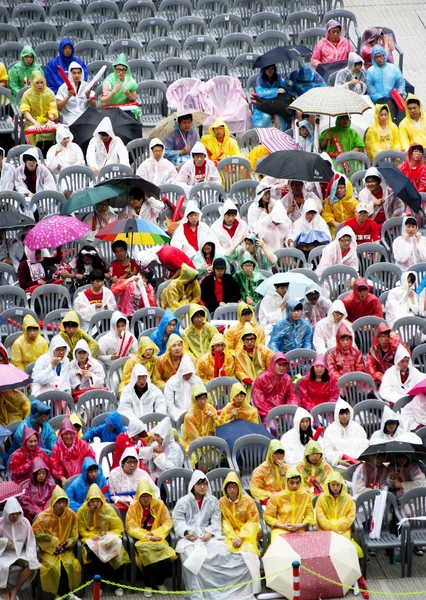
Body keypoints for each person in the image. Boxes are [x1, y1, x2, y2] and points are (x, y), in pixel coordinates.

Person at [172, 470, 260, 600]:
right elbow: (177, 520)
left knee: (226, 555)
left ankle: (223, 589)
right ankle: (197, 594)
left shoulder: (212, 501)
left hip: (209, 538)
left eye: (205, 484)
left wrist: (210, 532)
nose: (202, 487)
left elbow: (216, 521)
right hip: (189, 540)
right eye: (199, 484)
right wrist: (186, 532)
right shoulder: (183, 501)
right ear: (193, 486)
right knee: (192, 558)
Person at [316, 471, 366, 593]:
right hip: (325, 532)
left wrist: (338, 528)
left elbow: (350, 517)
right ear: (328, 485)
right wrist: (334, 527)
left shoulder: (348, 499)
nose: (335, 487)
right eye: (333, 484)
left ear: (342, 485)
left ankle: (349, 579)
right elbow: (321, 519)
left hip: (344, 532)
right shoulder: (321, 499)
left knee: (345, 550)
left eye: (338, 485)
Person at [77, 484, 129, 597]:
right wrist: (91, 536)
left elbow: (118, 528)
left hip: (108, 539)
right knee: (97, 555)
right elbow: (81, 529)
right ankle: (99, 585)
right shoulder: (82, 511)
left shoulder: (109, 509)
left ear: (101, 500)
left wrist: (108, 535)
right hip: (91, 541)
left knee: (120, 554)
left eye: (97, 501)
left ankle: (116, 584)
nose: (95, 504)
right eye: (92, 501)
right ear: (88, 501)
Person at [126, 480, 175, 594]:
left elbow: (167, 523)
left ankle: (159, 582)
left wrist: (155, 534)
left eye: (148, 496)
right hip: (143, 540)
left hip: (158, 538)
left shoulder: (160, 505)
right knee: (149, 559)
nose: (146, 499)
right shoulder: (133, 507)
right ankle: (148, 584)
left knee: (165, 558)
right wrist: (147, 536)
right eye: (143, 496)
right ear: (138, 496)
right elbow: (131, 527)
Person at [32, 486, 81, 598]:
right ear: (53, 502)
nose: (62, 505)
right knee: (52, 566)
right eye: (59, 502)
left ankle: (63, 594)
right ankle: (64, 594)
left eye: (64, 502)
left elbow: (74, 535)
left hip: (65, 549)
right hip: (48, 551)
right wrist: (50, 540)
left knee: (69, 564)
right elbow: (36, 533)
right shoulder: (43, 517)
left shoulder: (71, 515)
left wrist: (67, 544)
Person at [0, 497, 41, 600]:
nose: (15, 517)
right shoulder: (1, 523)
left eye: (17, 513)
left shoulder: (24, 522)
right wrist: (4, 542)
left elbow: (31, 541)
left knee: (31, 565)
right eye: (12, 514)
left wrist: (31, 556)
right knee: (4, 567)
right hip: (5, 554)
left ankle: (15, 589)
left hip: (20, 553)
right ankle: (4, 590)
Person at [264, 468, 315, 541]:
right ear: (286, 482)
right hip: (280, 530)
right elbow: (268, 517)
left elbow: (309, 515)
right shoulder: (277, 497)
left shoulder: (305, 496)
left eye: (297, 483)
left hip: (299, 530)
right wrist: (283, 526)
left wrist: (301, 525)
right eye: (292, 483)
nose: (295, 486)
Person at [219, 472, 260, 558]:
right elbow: (224, 521)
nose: (232, 490)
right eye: (229, 487)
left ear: (239, 488)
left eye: (234, 487)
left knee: (248, 552)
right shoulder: (222, 502)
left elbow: (253, 521)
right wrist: (232, 536)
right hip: (229, 535)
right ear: (225, 488)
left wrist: (241, 537)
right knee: (226, 553)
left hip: (247, 535)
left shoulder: (248, 501)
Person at [251, 353, 298, 426]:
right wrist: (272, 412)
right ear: (273, 364)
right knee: (273, 427)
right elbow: (259, 402)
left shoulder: (287, 378)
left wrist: (291, 408)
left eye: (284, 365)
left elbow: (292, 396)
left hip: (284, 411)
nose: (282, 368)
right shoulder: (261, 379)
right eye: (279, 365)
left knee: (293, 423)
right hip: (267, 412)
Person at [50, 416, 96, 485]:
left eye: (71, 434)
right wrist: (62, 478)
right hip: (66, 483)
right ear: (61, 435)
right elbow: (55, 466)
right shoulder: (57, 450)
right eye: (65, 434)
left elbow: (91, 460)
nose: (68, 437)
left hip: (84, 480)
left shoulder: (83, 445)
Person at [323, 399, 369, 468]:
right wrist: (339, 461)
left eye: (347, 413)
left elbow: (364, 446)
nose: (344, 416)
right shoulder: (330, 430)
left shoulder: (357, 428)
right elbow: (327, 451)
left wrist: (358, 459)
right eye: (341, 414)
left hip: (358, 462)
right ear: (337, 415)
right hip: (339, 464)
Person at [19, 71, 57, 149]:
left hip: (46, 121)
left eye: (41, 82)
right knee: (34, 143)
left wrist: (50, 120)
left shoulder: (50, 93)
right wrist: (35, 122)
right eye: (37, 83)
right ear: (32, 82)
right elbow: (25, 111)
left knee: (48, 142)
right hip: (32, 121)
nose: (40, 85)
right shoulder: (27, 94)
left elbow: (52, 109)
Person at [366, 322, 408, 390]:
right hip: (380, 381)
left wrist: (397, 339)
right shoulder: (373, 350)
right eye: (381, 336)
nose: (383, 339)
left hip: (396, 379)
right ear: (377, 338)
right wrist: (380, 376)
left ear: (389, 337)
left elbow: (407, 354)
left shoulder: (395, 348)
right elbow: (370, 368)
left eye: (386, 336)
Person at [164, 354, 203, 422]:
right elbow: (169, 404)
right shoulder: (172, 382)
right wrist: (179, 415)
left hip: (195, 415)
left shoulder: (197, 381)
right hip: (176, 415)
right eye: (185, 374)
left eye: (189, 374)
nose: (187, 376)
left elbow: (203, 399)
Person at [45, 124, 85, 190]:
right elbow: (50, 167)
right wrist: (56, 154)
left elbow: (81, 160)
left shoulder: (75, 146)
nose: (66, 140)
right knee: (65, 189)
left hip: (76, 174)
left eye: (67, 138)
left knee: (80, 187)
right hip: (61, 176)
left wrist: (75, 166)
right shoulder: (53, 149)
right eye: (64, 139)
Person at [366, 45, 406, 110]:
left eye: (380, 56)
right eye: (376, 57)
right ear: (373, 58)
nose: (379, 59)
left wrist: (400, 93)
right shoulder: (370, 71)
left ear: (384, 55)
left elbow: (401, 83)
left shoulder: (394, 68)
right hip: (378, 103)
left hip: (394, 101)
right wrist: (380, 98)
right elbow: (370, 87)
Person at [56, 61, 95, 126]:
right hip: (69, 118)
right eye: (74, 73)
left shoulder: (87, 86)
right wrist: (68, 96)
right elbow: (58, 107)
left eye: (78, 73)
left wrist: (88, 98)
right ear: (70, 74)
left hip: (85, 117)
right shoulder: (63, 88)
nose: (76, 75)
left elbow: (94, 105)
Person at [182, 385, 219, 451]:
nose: (203, 401)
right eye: (199, 399)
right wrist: (211, 446)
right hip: (197, 447)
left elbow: (219, 428)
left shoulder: (210, 408)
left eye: (204, 398)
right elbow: (195, 438)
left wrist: (212, 420)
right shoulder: (189, 417)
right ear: (194, 400)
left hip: (212, 442)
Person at [249, 439, 288, 503]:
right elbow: (254, 489)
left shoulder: (287, 468)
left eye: (281, 453)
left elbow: (290, 487)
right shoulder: (262, 469)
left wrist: (282, 473)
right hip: (269, 501)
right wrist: (269, 494)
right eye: (276, 453)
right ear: (271, 454)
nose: (279, 456)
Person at [19, 458, 56, 523]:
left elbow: (53, 497)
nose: (41, 476)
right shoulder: (26, 487)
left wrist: (46, 510)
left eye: (44, 473)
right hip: (33, 516)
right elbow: (25, 502)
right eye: (39, 473)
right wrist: (38, 512)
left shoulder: (51, 485)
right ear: (34, 473)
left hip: (49, 513)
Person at [252, 64, 288, 130]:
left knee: (279, 118)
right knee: (265, 117)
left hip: (276, 104)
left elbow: (285, 87)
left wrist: (288, 83)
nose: (270, 71)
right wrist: (276, 91)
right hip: (264, 104)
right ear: (264, 70)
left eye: (272, 69)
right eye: (268, 69)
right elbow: (261, 93)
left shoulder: (277, 77)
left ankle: (279, 137)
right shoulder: (260, 79)